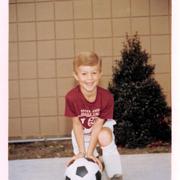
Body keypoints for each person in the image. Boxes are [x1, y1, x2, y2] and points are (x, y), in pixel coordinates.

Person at [64, 51, 123, 180]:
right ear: (76, 75)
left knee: (104, 135)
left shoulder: (107, 97)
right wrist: (82, 153)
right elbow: (77, 124)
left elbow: (97, 125)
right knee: (84, 158)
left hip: (100, 127)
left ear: (100, 74)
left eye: (94, 73)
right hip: (81, 129)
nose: (89, 78)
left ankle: (115, 174)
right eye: (84, 74)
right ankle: (97, 161)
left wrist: (89, 152)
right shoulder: (71, 97)